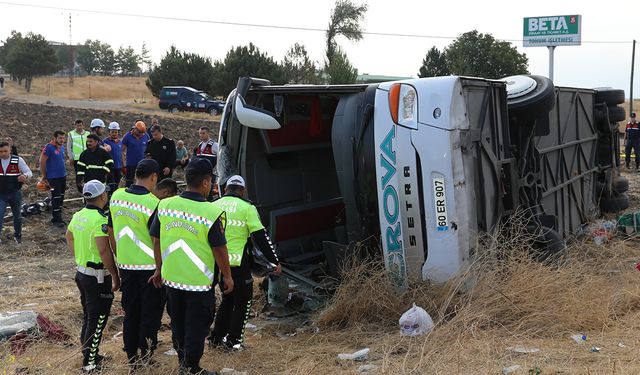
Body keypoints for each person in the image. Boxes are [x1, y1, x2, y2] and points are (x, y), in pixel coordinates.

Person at [148, 159, 233, 375]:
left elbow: (156, 240)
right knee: (196, 327)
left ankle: (182, 361)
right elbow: (220, 249)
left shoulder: (165, 205)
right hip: (198, 284)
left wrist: (158, 269)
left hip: (172, 280)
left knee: (178, 323)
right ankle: (191, 368)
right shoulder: (210, 212)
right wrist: (227, 276)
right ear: (206, 182)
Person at [208, 175, 281, 351]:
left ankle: (216, 338)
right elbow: (260, 237)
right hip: (237, 263)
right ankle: (234, 342)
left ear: (225, 189)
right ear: (242, 191)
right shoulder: (247, 208)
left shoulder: (212, 206)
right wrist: (274, 261)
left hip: (216, 263)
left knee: (227, 300)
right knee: (243, 302)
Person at [108, 159, 164, 371]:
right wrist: (160, 268)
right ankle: (146, 354)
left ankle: (131, 356)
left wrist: (118, 254)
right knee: (150, 313)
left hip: (126, 266)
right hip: (150, 269)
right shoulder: (153, 203)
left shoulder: (116, 196)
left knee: (131, 312)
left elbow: (111, 231)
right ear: (153, 177)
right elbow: (157, 241)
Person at [66, 180, 119, 373]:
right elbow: (105, 251)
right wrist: (115, 274)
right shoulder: (100, 220)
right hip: (97, 277)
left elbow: (69, 235)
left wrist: (79, 255)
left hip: (82, 273)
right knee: (98, 319)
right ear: (103, 196)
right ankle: (89, 363)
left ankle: (90, 353)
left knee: (89, 316)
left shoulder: (78, 215)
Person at [0, 141, 32, 244]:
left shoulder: (18, 160)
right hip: (1, 194)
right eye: (0, 152)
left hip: (15, 193)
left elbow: (29, 172)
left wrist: (25, 176)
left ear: (10, 149)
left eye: (5, 151)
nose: (3, 153)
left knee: (17, 216)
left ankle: (17, 235)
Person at [40, 130, 67, 227]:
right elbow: (42, 161)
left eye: (63, 138)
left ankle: (59, 217)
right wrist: (44, 176)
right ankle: (55, 219)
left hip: (62, 176)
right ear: (54, 138)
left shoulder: (62, 147)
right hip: (53, 178)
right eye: (60, 138)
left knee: (61, 197)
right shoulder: (48, 147)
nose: (62, 140)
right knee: (56, 197)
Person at [193, 127, 218, 201]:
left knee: (209, 192)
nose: (201, 135)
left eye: (203, 133)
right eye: (200, 133)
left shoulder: (214, 145)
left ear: (208, 133)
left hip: (210, 173)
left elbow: (220, 158)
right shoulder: (200, 144)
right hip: (201, 173)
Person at [122, 121, 150, 187]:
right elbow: (122, 151)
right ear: (135, 129)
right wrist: (124, 164)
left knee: (141, 182)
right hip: (130, 164)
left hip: (142, 164)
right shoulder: (127, 136)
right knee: (129, 183)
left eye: (142, 133)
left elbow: (149, 149)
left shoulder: (146, 136)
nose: (141, 134)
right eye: (139, 132)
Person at [104, 122, 123, 192]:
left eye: (116, 132)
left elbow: (121, 154)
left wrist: (123, 165)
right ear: (109, 132)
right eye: (112, 132)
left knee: (118, 184)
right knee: (110, 184)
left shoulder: (120, 142)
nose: (114, 133)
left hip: (118, 167)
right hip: (110, 167)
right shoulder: (105, 142)